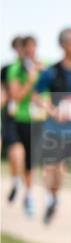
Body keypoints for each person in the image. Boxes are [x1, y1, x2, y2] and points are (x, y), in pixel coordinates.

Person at [33, 28, 71, 243]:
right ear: (63, 45)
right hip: (55, 132)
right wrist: (52, 111)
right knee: (55, 178)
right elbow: (37, 96)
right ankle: (53, 200)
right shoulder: (53, 72)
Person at [6, 35, 47, 216]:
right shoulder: (14, 69)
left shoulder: (44, 65)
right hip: (16, 118)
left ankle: (28, 195)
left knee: (30, 163)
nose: (30, 52)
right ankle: (16, 181)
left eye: (33, 48)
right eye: (26, 48)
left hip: (34, 120)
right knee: (17, 153)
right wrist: (30, 81)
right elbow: (16, 96)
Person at [2, 36, 26, 202]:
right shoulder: (6, 70)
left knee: (23, 153)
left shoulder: (35, 68)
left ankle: (20, 182)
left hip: (30, 117)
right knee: (15, 150)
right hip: (11, 115)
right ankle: (16, 180)